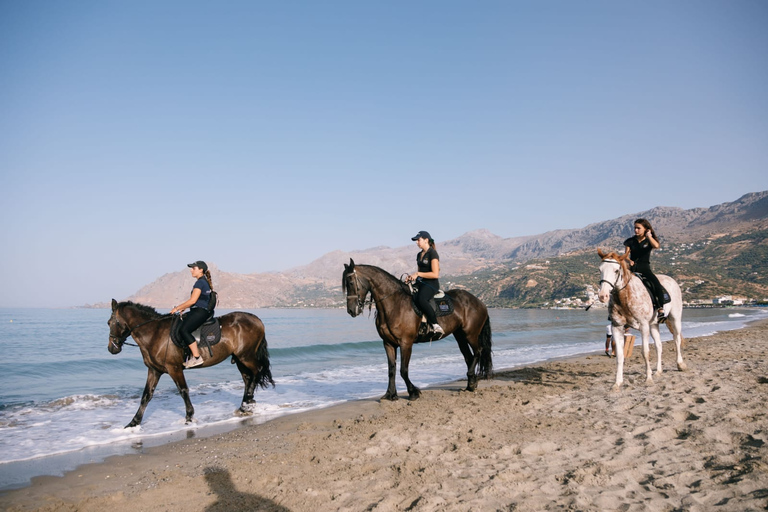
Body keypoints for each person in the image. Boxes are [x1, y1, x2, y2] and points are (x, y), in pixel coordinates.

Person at [170, 260, 214, 368]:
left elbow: (193, 300)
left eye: (194, 268)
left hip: (200, 311)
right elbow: (198, 300)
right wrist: (185, 308)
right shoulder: (204, 281)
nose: (191, 270)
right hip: (200, 310)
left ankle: (197, 357)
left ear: (201, 270)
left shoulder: (200, 283)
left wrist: (177, 308)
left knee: (183, 330)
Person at [624, 218, 668, 323]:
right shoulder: (630, 241)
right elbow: (625, 256)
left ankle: (660, 308)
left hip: (645, 267)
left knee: (656, 284)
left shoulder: (649, 240)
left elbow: (656, 246)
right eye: (635, 228)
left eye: (638, 228)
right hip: (632, 267)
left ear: (645, 229)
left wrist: (649, 236)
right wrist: (629, 260)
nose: (636, 230)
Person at [406, 231, 444, 335]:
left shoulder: (432, 253)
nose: (417, 242)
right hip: (420, 283)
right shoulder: (419, 255)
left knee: (421, 298)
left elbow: (435, 274)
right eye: (416, 241)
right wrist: (411, 278)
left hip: (431, 284)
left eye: (418, 240)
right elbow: (420, 273)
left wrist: (417, 274)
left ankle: (435, 324)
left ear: (426, 240)